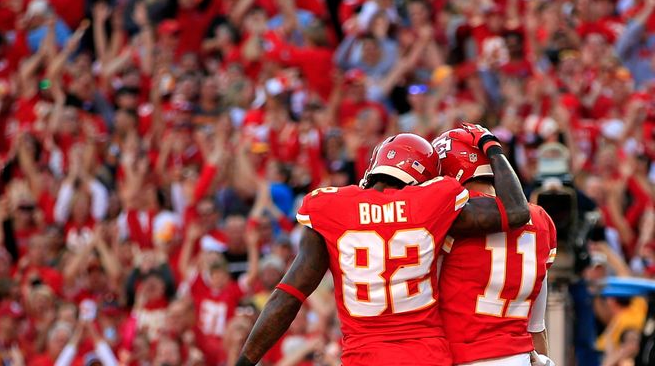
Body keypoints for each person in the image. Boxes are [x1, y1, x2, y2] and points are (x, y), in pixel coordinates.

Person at [234, 124, 531, 366]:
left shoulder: (329, 206)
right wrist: (491, 146)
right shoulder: (433, 201)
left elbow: (287, 297)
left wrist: (245, 363)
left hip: (364, 357)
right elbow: (516, 211)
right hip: (426, 356)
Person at [432, 128, 558, 366]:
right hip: (519, 357)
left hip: (461, 355)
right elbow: (536, 327)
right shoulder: (541, 219)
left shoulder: (452, 218)